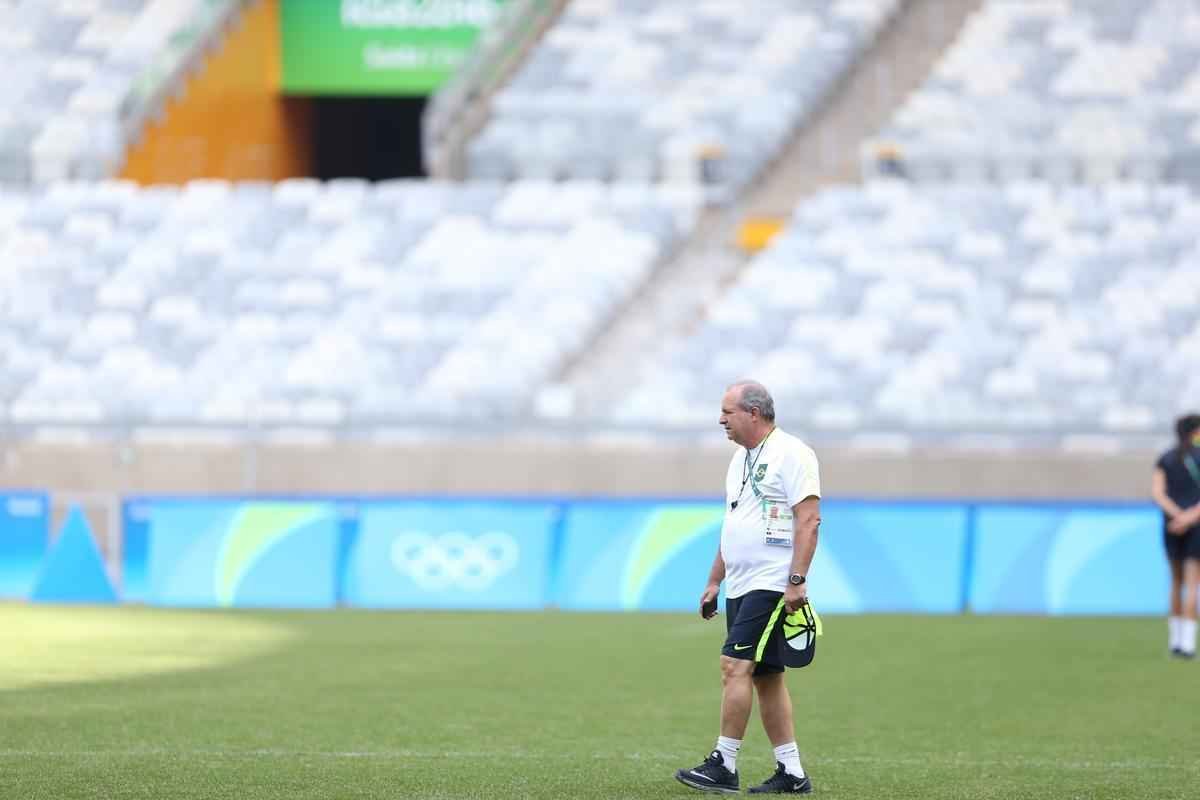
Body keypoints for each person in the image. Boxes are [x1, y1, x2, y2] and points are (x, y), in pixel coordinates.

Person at [675, 381, 821, 795]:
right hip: (741, 582)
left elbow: (808, 519)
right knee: (767, 677)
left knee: (733, 665)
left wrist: (796, 580)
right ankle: (792, 773)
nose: (721, 420)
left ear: (753, 413)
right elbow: (733, 522)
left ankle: (724, 763)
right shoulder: (740, 459)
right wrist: (714, 579)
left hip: (771, 582)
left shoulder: (792, 453)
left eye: (727, 412)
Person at [1151, 413, 1200, 659]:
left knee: (1175, 582)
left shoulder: (1165, 459)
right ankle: (1189, 645)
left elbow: (1158, 493)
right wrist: (1189, 518)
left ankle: (1175, 642)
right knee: (1193, 584)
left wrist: (1176, 516)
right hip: (1195, 525)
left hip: (1171, 525)